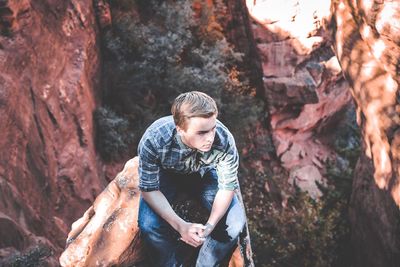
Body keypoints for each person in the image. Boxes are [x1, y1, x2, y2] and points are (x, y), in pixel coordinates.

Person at [137, 91, 246, 266]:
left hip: (205, 174)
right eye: (202, 132)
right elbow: (148, 188)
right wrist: (181, 226)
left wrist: (209, 226)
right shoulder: (155, 139)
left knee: (234, 224)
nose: (211, 138)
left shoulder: (224, 139)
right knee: (149, 226)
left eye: (213, 128)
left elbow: (227, 187)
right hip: (167, 174)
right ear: (180, 129)